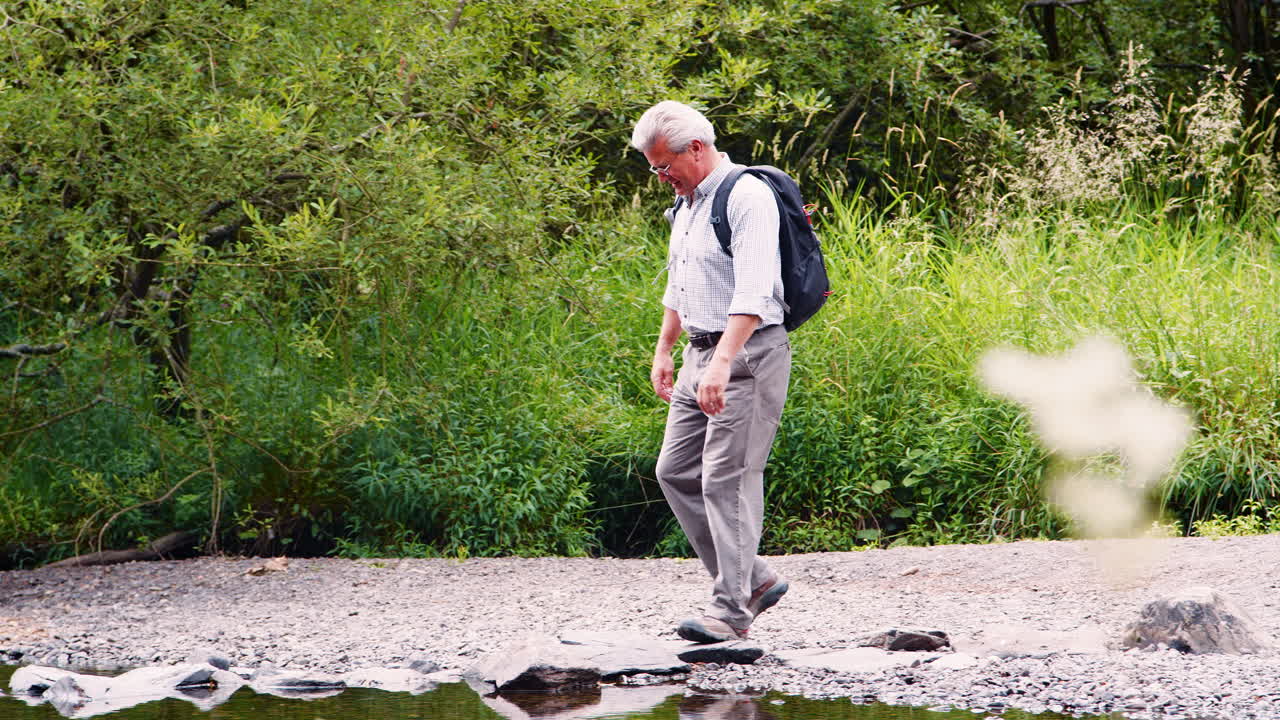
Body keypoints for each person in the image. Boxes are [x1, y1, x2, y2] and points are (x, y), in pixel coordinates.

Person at [631, 100, 792, 644]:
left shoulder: (747, 197)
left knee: (728, 479)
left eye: (663, 165)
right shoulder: (686, 205)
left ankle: (731, 610)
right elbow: (680, 284)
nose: (661, 177)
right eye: (654, 168)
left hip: (746, 355)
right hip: (700, 355)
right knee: (675, 472)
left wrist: (722, 361)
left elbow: (755, 289)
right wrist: (664, 349)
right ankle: (755, 579)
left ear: (695, 148)